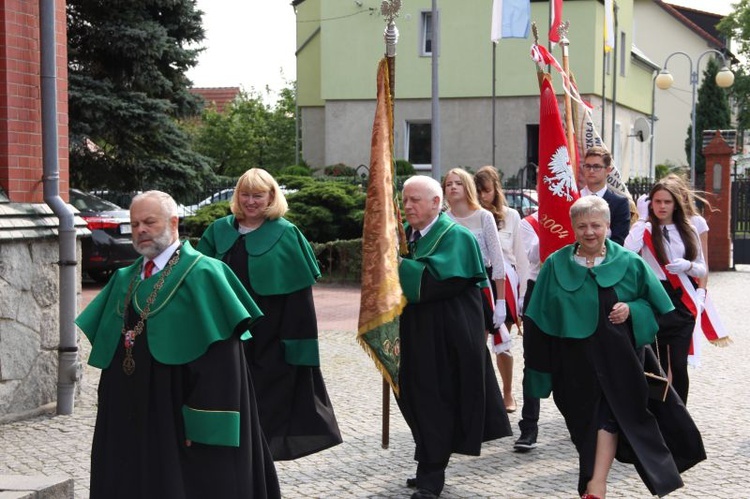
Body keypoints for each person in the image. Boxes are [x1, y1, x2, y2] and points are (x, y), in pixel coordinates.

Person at [76, 190, 281, 498]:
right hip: (129, 416)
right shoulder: (124, 278)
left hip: (176, 416)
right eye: (134, 225)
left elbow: (223, 366)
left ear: (173, 223)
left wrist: (203, 426)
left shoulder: (205, 274)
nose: (141, 230)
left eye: (149, 222)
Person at [524, 195, 705, 499]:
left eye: (596, 225)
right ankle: (591, 484)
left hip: (620, 362)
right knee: (584, 426)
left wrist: (633, 309)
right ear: (573, 227)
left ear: (608, 226)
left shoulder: (630, 262)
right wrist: (538, 374)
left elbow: (660, 308)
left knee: (607, 418)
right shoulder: (555, 265)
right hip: (573, 366)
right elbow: (538, 322)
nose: (590, 231)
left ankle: (597, 487)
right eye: (582, 226)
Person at [196, 168, 342, 460]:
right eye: (245, 194)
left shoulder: (286, 234)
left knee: (265, 410)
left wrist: (299, 348)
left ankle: (258, 469)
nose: (251, 201)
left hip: (270, 341)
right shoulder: (218, 231)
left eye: (258, 195)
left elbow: (300, 302)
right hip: (226, 336)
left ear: (271, 197)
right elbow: (201, 286)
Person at [398, 175, 512, 499]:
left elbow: (434, 281)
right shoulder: (411, 236)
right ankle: (427, 461)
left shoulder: (457, 236)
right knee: (415, 395)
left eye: (415, 200)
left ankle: (431, 475)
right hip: (417, 332)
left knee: (437, 398)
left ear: (436, 203)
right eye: (405, 200)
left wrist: (393, 265)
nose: (408, 206)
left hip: (446, 337)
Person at [624, 178, 708, 404]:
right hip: (654, 300)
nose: (661, 206)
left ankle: (680, 415)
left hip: (681, 301)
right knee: (655, 365)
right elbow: (628, 251)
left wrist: (687, 266)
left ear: (676, 204)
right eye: (657, 201)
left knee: (679, 365)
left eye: (667, 202)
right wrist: (641, 218)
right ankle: (657, 414)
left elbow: (701, 266)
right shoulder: (645, 228)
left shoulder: (688, 228)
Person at [474, 165, 530, 413]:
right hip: (477, 281)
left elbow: (521, 256)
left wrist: (521, 295)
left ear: (495, 189)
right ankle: (483, 394)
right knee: (477, 340)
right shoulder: (471, 215)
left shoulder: (511, 216)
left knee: (502, 339)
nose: (481, 196)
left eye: (485, 191)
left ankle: (507, 392)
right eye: (476, 191)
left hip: (504, 282)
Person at [512, 210, 541, 452]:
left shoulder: (581, 214)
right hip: (538, 288)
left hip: (573, 289)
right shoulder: (529, 222)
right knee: (533, 361)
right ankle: (529, 426)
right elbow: (531, 256)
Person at [579, 146, 630, 245]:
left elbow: (619, 240)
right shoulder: (574, 198)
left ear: (608, 170)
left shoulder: (620, 203)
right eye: (588, 166)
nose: (591, 171)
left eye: (597, 167)